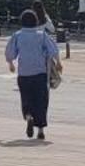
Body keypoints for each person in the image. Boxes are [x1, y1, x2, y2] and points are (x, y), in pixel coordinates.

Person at [5, 8, 60, 141]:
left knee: (26, 97)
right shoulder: (41, 35)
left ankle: (29, 116)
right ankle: (40, 129)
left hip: (24, 73)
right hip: (40, 73)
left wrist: (11, 64)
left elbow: (10, 53)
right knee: (41, 100)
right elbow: (53, 50)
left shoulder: (17, 35)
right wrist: (58, 63)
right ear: (36, 21)